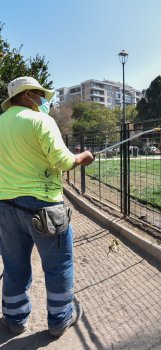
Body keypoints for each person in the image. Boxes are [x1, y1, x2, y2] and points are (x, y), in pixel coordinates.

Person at [0, 77, 94, 337]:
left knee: (14, 264)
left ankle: (15, 319)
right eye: (41, 96)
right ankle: (60, 319)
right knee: (58, 265)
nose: (44, 101)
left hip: (5, 207)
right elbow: (63, 161)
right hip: (44, 208)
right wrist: (83, 157)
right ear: (28, 95)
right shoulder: (41, 121)